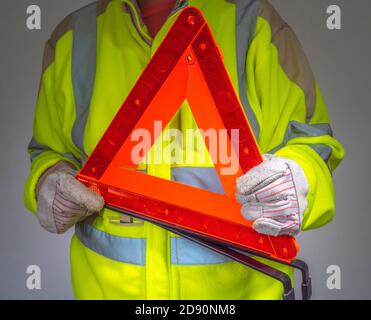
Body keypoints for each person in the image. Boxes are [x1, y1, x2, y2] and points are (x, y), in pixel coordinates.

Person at [24, 0, 345, 299]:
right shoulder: (74, 37)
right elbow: (49, 151)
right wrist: (49, 180)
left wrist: (299, 181)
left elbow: (312, 142)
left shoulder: (252, 22)